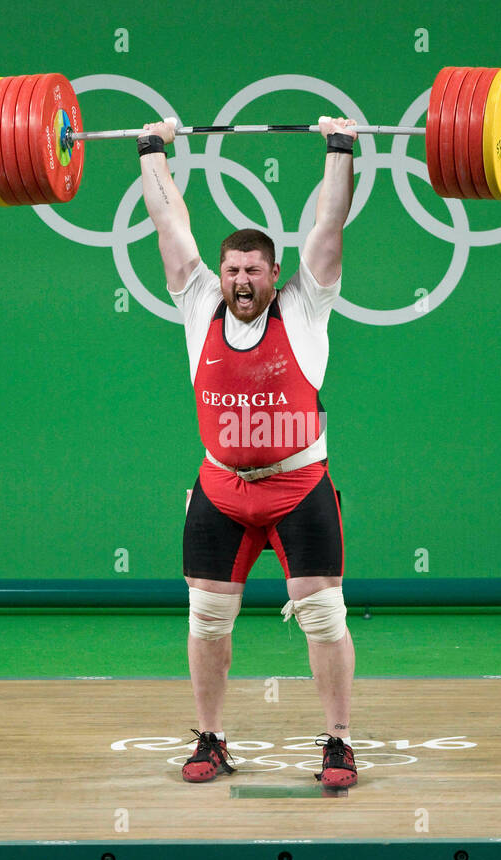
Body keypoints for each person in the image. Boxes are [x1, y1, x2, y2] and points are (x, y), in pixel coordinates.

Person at [137, 115, 359, 789]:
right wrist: (153, 151)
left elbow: (328, 225)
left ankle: (340, 743)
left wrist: (340, 148)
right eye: (231, 269)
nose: (238, 281)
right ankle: (211, 737)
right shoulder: (198, 300)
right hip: (222, 490)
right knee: (206, 618)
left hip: (298, 488)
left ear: (274, 274)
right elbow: (169, 226)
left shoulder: (306, 306)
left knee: (322, 614)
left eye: (252, 272)